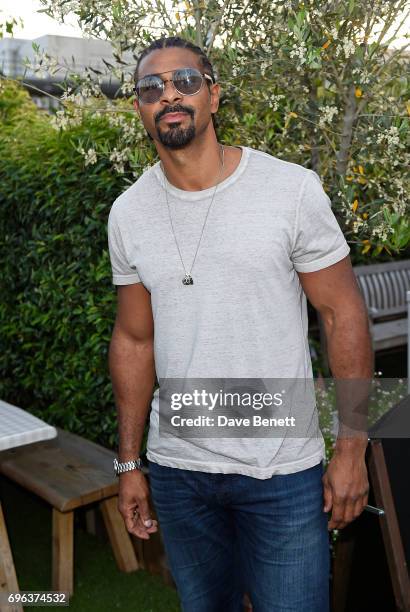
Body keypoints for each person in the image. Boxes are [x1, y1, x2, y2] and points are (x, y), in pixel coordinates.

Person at [107, 35, 373, 612]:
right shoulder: (128, 214)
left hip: (281, 471)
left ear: (214, 96)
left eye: (186, 81)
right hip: (179, 474)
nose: (169, 95)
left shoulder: (290, 190)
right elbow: (134, 340)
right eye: (151, 87)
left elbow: (342, 313)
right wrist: (130, 463)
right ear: (139, 108)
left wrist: (353, 446)